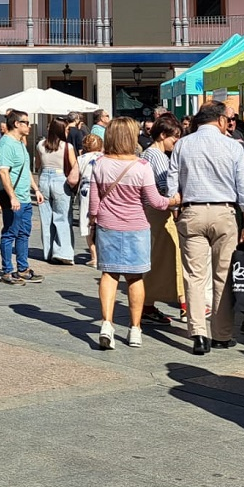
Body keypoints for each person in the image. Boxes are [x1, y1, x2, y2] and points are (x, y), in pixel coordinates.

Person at [171, 101, 244, 354]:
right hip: (224, 211)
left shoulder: (183, 144)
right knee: (224, 274)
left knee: (194, 276)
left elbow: (171, 185)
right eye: (228, 119)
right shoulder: (232, 146)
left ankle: (197, 333)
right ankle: (221, 334)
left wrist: (177, 212)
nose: (230, 123)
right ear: (219, 120)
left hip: (192, 210)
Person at [87, 117, 175, 349]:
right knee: (135, 277)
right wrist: (174, 200)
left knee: (109, 275)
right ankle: (135, 329)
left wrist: (92, 227)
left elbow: (94, 205)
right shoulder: (141, 167)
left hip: (108, 225)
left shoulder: (100, 163)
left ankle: (107, 324)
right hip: (136, 227)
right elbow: (155, 202)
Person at [139, 117, 184, 326]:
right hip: (158, 211)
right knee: (168, 257)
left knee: (159, 259)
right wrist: (177, 199)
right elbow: (165, 186)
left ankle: (149, 303)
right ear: (163, 135)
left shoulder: (148, 153)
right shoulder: (157, 156)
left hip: (152, 211)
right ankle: (183, 303)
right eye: (174, 139)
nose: (175, 144)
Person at [0, 109, 39, 284]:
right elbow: (3, 172)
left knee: (23, 233)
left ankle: (23, 268)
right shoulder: (5, 144)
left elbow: (25, 169)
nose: (29, 126)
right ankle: (7, 271)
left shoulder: (20, 143)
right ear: (16, 124)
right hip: (13, 198)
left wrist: (35, 189)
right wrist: (12, 196)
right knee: (9, 233)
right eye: (26, 122)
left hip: (25, 197)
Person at [34, 117, 77, 265]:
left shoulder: (40, 145)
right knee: (62, 217)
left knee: (46, 219)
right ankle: (63, 252)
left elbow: (38, 165)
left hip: (44, 180)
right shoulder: (67, 147)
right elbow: (73, 166)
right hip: (60, 180)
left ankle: (48, 251)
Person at [73, 134, 103, 270]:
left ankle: (94, 257)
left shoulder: (81, 159)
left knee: (87, 223)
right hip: (103, 191)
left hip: (86, 192)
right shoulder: (105, 157)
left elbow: (72, 179)